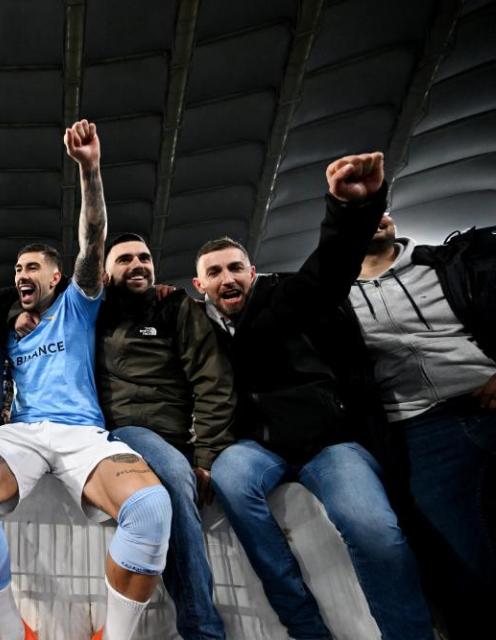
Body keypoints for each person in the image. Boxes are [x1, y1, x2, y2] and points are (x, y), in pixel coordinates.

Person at [0, 119, 172, 640]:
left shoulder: (77, 303)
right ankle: (11, 631)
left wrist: (90, 172)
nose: (21, 274)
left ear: (55, 276)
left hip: (81, 435)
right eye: (17, 269)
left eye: (32, 268)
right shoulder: (9, 326)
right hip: (21, 433)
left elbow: (93, 241)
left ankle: (114, 637)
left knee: (151, 508)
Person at [193, 152, 433, 640]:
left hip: (330, 443)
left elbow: (328, 271)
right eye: (215, 272)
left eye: (236, 267)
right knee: (232, 477)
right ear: (200, 286)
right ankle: (307, 629)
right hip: (257, 446)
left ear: (253, 271)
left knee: (374, 531)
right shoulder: (196, 327)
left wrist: (350, 210)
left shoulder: (282, 297)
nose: (227, 278)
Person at [16, 232, 234, 639]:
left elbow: (212, 380)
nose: (138, 265)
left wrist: (207, 452)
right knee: (171, 483)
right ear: (105, 272)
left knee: (177, 480)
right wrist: (19, 312)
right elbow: (38, 292)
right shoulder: (90, 312)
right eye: (125, 259)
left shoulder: (174, 305)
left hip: (176, 435)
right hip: (125, 431)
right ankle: (202, 629)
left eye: (145, 257)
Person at [350, 213, 495, 638]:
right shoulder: (333, 301)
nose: (376, 215)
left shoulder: (452, 263)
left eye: (382, 206)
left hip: (487, 396)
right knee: (462, 560)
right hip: (418, 427)